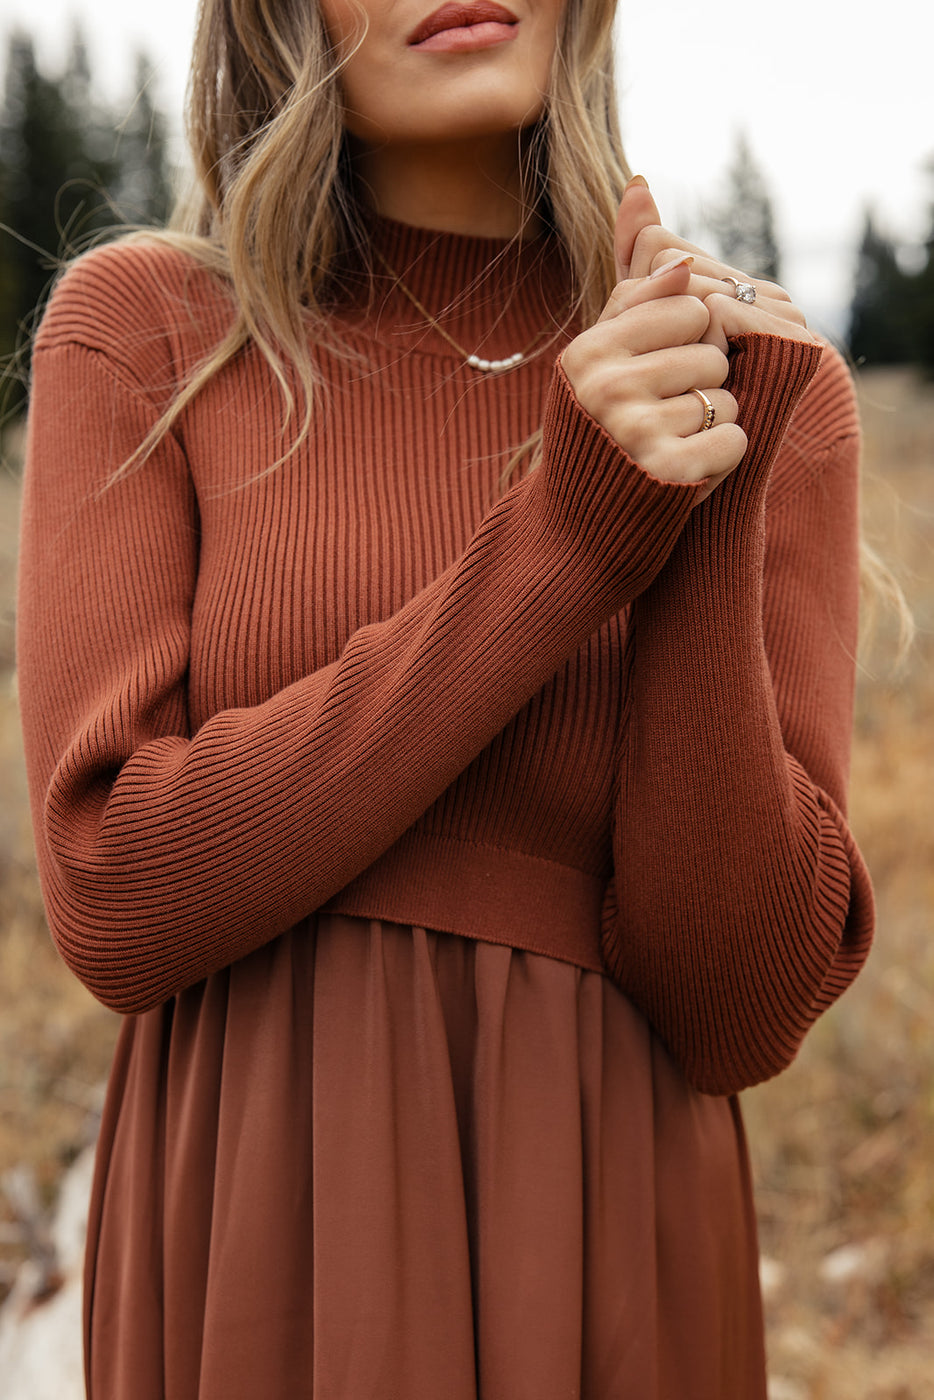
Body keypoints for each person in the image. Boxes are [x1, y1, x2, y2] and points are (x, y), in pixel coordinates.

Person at [17, 0, 875, 1395]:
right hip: (257, 1231)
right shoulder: (152, 332)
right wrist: (568, 540)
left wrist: (696, 501)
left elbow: (734, 1008)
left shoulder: (748, 374)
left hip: (605, 1250)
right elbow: (115, 892)